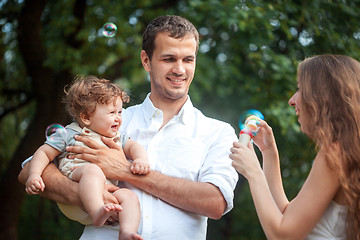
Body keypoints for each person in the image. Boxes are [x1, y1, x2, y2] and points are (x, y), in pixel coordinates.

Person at [19, 15, 238, 240]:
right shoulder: (109, 120)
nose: (180, 69)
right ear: (146, 61)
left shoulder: (218, 132)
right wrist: (90, 194)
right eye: (169, 58)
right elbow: (28, 171)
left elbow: (215, 202)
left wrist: (124, 171)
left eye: (188, 59)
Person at [230, 54, 360, 239]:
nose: (292, 100)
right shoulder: (345, 150)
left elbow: (283, 236)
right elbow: (287, 216)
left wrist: (253, 172)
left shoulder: (334, 153)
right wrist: (268, 153)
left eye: (300, 89)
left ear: (323, 96)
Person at [24, 76, 149, 240]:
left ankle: (126, 232)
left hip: (108, 197)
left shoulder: (116, 136)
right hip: (75, 193)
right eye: (112, 113)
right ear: (86, 117)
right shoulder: (68, 133)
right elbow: (43, 153)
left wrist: (140, 159)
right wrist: (34, 175)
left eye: (119, 111)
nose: (119, 117)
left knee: (129, 196)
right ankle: (97, 211)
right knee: (92, 170)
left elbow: (134, 147)